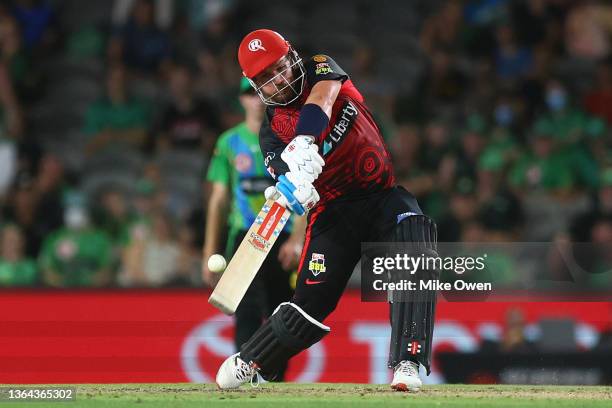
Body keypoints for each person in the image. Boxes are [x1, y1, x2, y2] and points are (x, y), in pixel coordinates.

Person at [215, 29, 439, 392]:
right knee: (308, 308)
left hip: (382, 197)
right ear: (254, 86)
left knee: (415, 240)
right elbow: (290, 181)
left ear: (291, 58)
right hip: (333, 214)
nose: (278, 80)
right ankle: (251, 359)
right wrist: (293, 187)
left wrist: (305, 141)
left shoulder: (321, 68)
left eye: (280, 68)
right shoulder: (271, 133)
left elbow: (323, 97)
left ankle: (407, 363)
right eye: (265, 79)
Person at [203, 77, 304, 380]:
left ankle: (276, 379)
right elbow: (218, 201)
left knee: (281, 311)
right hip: (244, 235)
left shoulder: (288, 139)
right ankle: (241, 376)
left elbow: (303, 190)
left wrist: (298, 239)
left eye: (262, 93)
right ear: (241, 99)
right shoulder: (229, 143)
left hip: (281, 235)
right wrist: (209, 251)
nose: (257, 99)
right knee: (245, 310)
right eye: (250, 93)